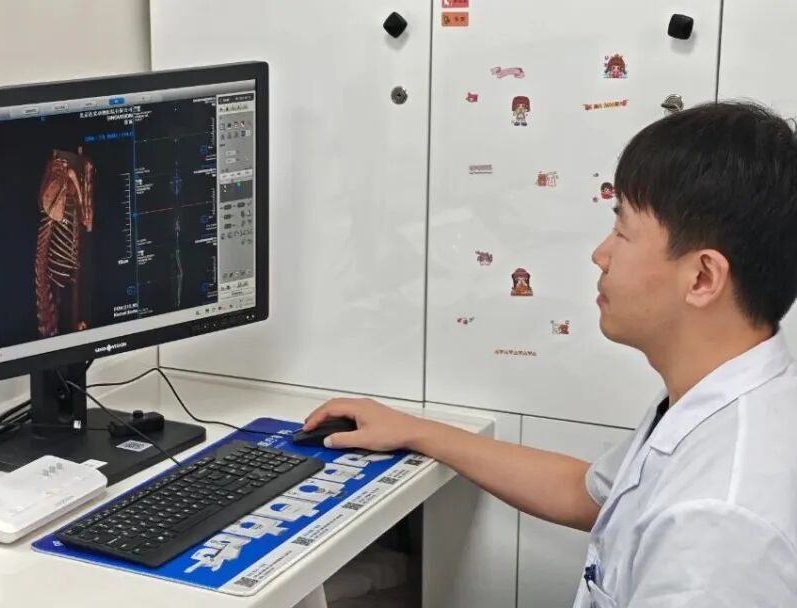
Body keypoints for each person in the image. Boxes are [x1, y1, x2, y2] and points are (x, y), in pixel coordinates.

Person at [304, 102, 797, 607]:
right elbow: (586, 494)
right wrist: (413, 430)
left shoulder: (718, 525)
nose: (600, 254)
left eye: (622, 231)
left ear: (702, 277)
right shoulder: (724, 400)